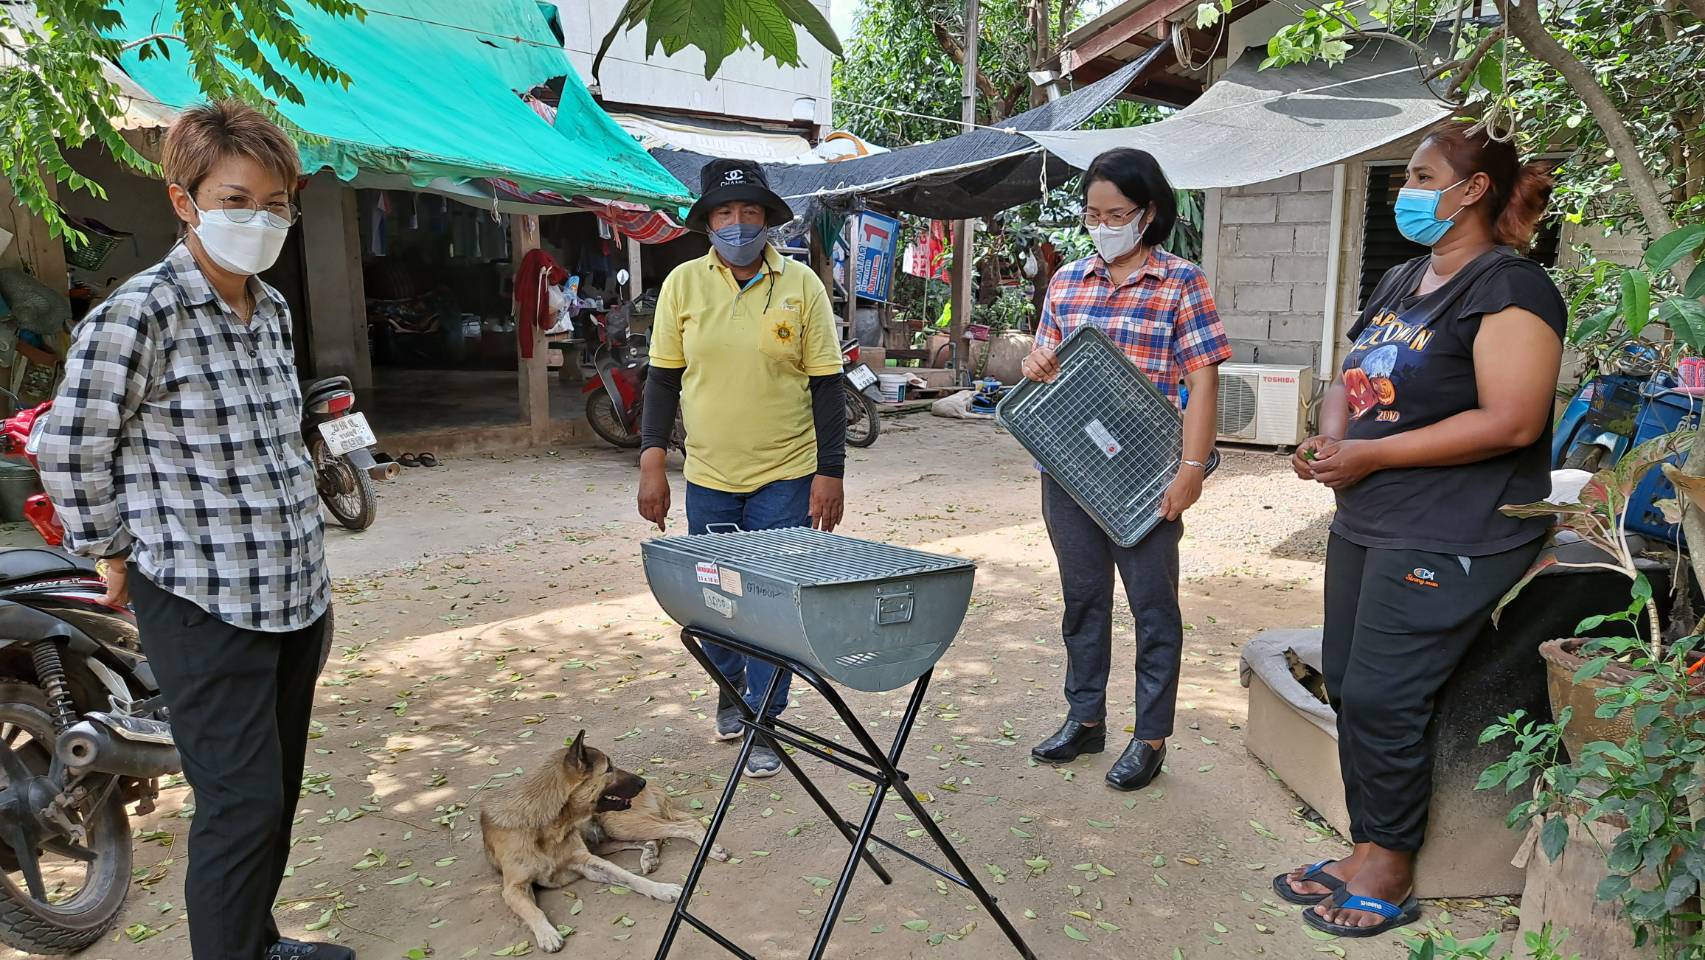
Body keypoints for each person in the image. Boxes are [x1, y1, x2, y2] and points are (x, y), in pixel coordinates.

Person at [35, 101, 346, 960]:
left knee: (273, 793)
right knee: (238, 804)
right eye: (237, 200)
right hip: (202, 603)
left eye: (278, 204)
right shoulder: (141, 313)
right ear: (185, 200)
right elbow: (67, 443)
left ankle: (259, 940)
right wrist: (107, 546)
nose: (261, 221)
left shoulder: (272, 311)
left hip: (291, 594)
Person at [1280, 121, 1565, 939]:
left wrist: (1376, 457)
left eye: (1417, 174)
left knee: (1384, 692)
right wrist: (1329, 438)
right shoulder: (1405, 276)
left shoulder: (1510, 288)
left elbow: (1511, 421)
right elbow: (1354, 375)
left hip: (1456, 526)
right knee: (1348, 678)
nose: (1404, 189)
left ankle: (1390, 863)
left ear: (1471, 189)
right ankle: (1365, 842)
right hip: (1371, 515)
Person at [1021, 148, 1230, 792]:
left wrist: (1191, 468)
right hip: (1072, 472)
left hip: (1146, 475)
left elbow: (1202, 379)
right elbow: (1045, 357)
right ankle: (1085, 720)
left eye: (1117, 213)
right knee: (1082, 601)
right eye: (1092, 213)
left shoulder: (1180, 283)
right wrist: (1035, 361)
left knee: (1152, 606)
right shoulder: (1069, 281)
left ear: (1150, 213)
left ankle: (1150, 736)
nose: (1103, 224)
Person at [636, 158, 847, 779]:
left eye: (749, 213)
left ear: (766, 220)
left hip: (786, 472)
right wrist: (652, 460)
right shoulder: (682, 285)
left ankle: (764, 719)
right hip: (707, 476)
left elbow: (828, 384)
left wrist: (829, 471)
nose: (737, 225)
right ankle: (730, 690)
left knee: (771, 601)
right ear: (706, 222)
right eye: (725, 214)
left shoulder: (801, 284)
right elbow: (661, 380)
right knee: (718, 598)